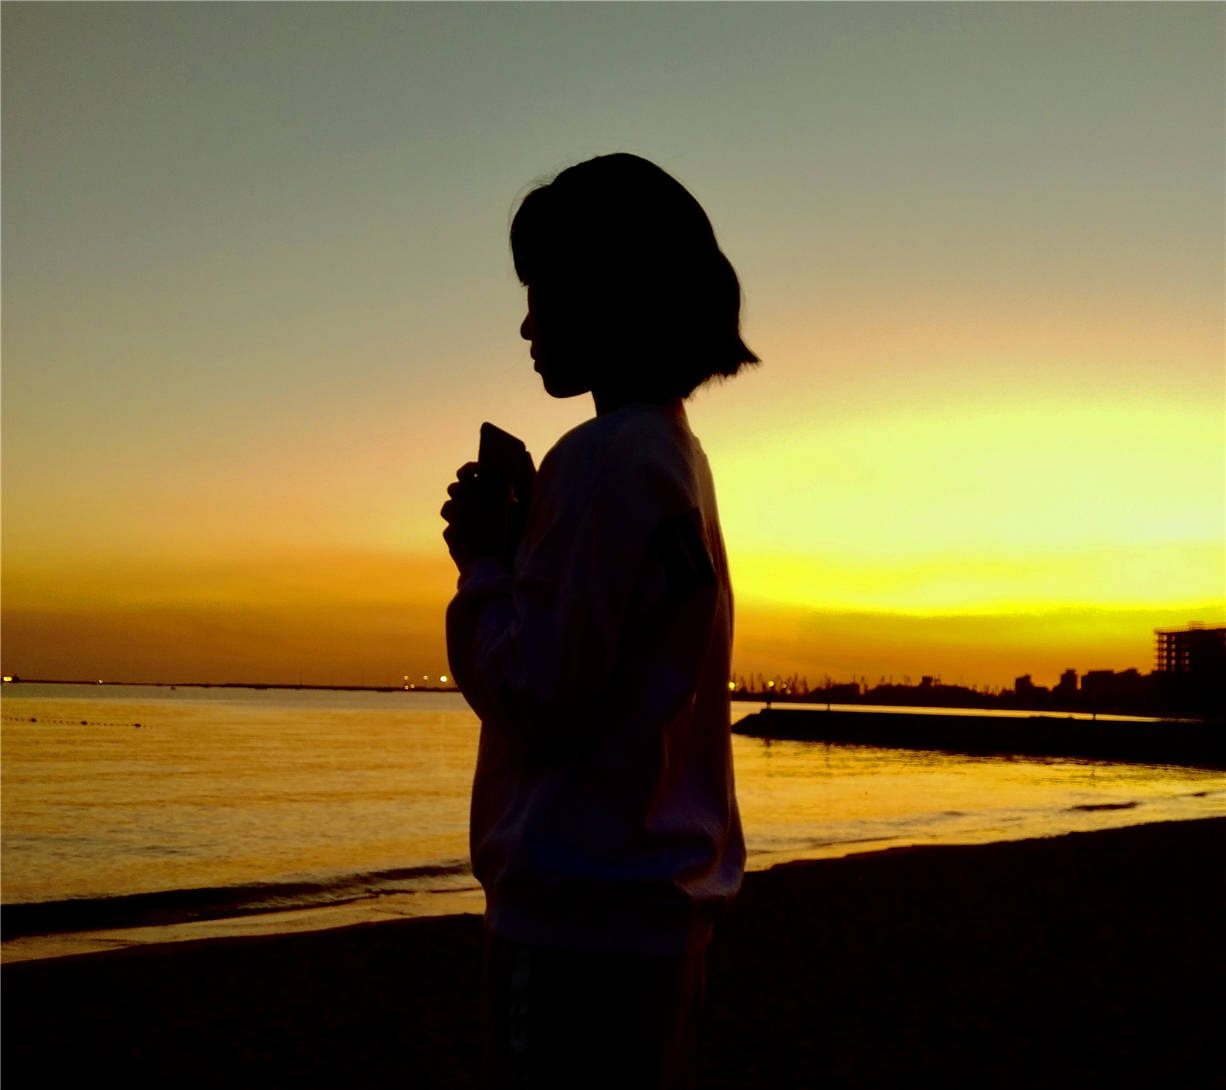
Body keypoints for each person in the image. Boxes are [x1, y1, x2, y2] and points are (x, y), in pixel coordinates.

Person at [441, 153, 757, 1090]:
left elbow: (536, 693)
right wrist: (535, 538)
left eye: (544, 289)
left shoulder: (601, 460)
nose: (528, 322)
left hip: (573, 919)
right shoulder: (670, 457)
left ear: (610, 292)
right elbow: (616, 664)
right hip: (655, 918)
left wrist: (486, 567)